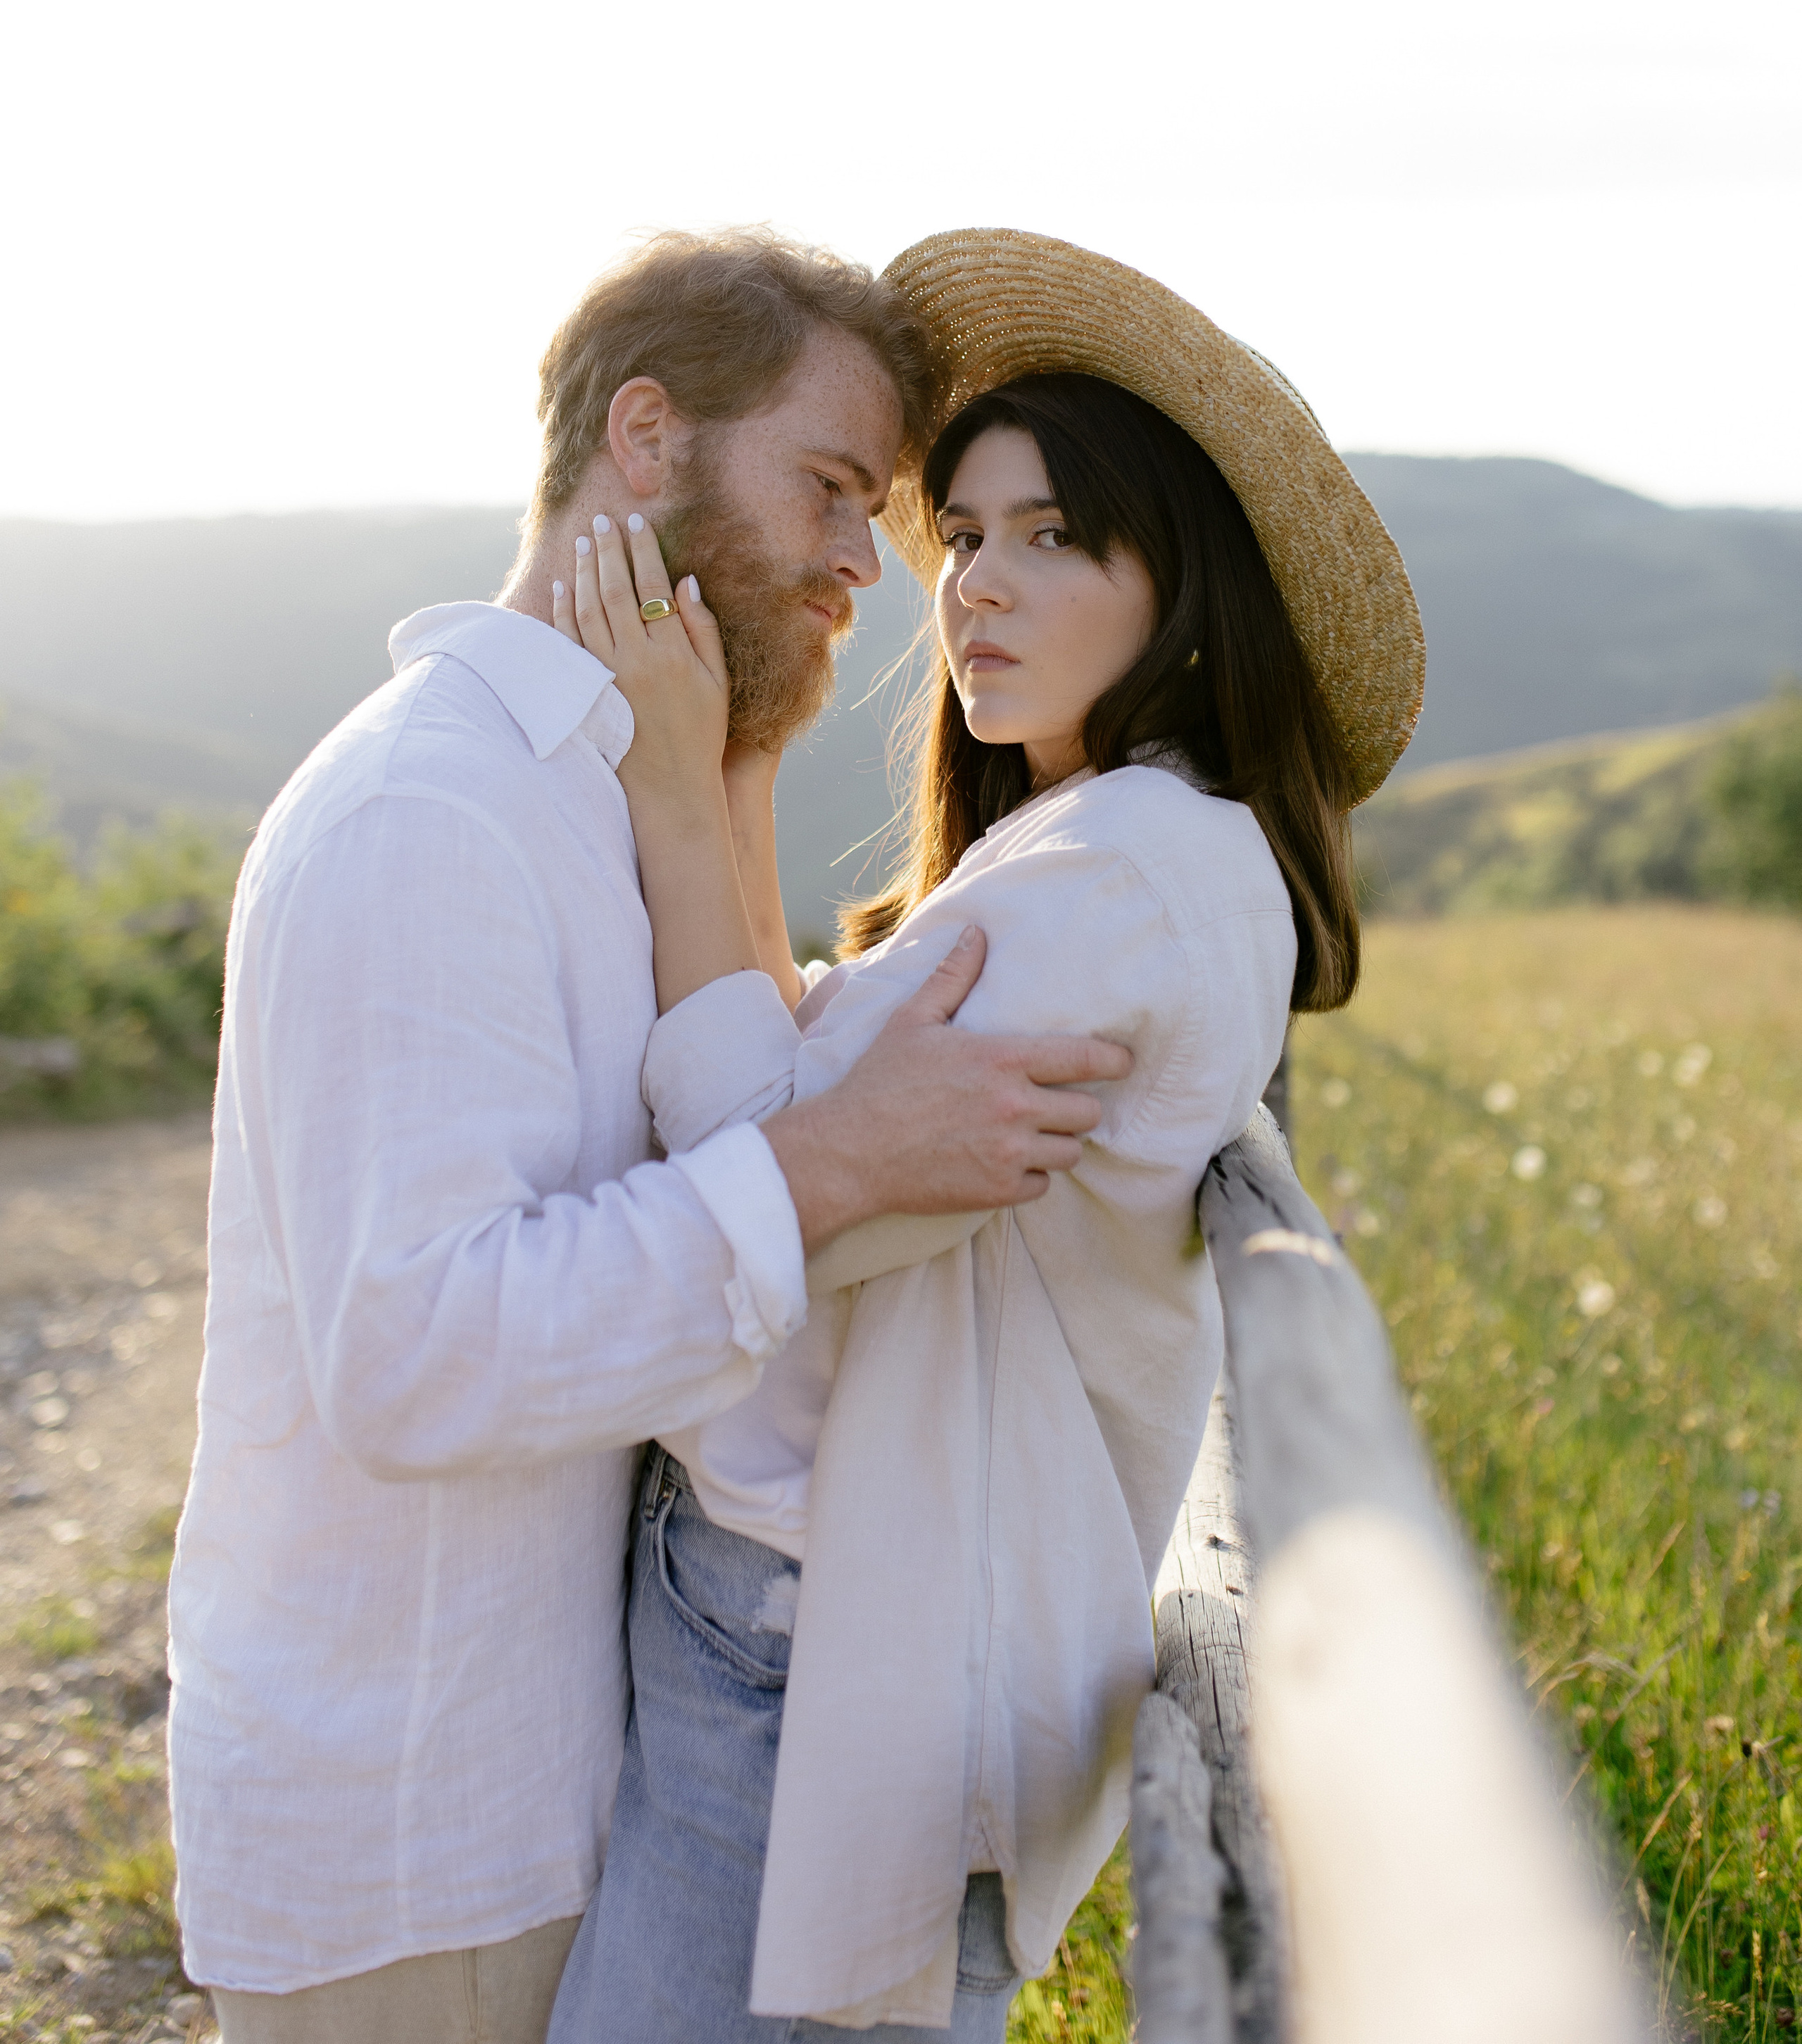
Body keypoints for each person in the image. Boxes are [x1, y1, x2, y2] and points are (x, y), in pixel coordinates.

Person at [168, 227, 1135, 2044]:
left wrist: (726, 801)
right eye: (833, 490)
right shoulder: (424, 815)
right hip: (417, 1847)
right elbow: (418, 1353)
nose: (870, 564)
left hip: (545, 1797)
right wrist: (840, 1162)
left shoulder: (599, 795)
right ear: (644, 439)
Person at [545, 227, 1425, 2040]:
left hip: (826, 1631)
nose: (977, 592)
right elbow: (811, 1108)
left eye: (1055, 538)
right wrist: (740, 767)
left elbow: (779, 1194)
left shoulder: (1129, 880)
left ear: (1182, 590)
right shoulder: (1081, 842)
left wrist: (675, 781)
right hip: (807, 1602)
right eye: (963, 539)